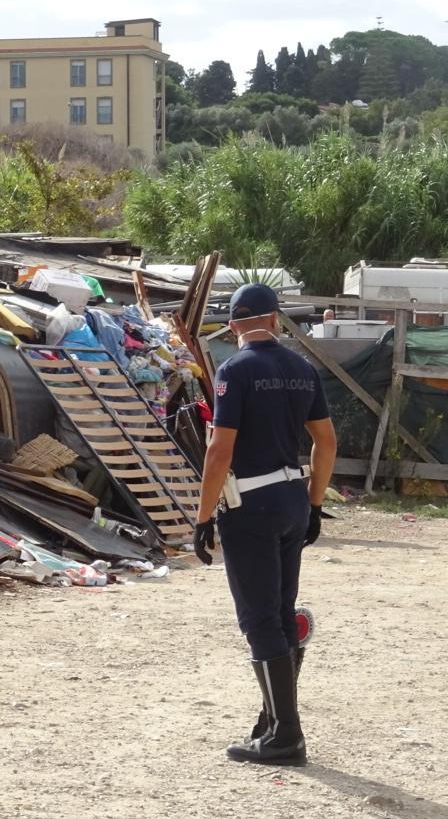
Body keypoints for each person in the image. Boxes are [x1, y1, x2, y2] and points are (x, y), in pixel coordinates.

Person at [194, 283, 337, 766]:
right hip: (293, 498)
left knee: (259, 620)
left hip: (250, 504)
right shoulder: (303, 368)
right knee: (280, 613)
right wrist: (314, 503)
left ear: (233, 325)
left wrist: (203, 516)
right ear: (275, 320)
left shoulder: (234, 371)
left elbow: (220, 450)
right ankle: (273, 719)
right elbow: (326, 442)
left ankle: (286, 736)